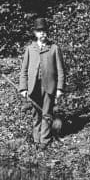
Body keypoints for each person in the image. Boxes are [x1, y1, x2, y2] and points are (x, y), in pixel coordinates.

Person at [18, 18, 66, 148]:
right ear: (35, 33)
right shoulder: (30, 49)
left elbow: (61, 70)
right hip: (33, 87)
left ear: (47, 32)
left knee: (46, 113)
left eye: (44, 31)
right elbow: (24, 70)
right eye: (39, 31)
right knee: (36, 114)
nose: (42, 34)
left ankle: (45, 141)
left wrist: (60, 88)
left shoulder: (54, 48)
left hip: (48, 86)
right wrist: (23, 88)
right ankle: (36, 140)